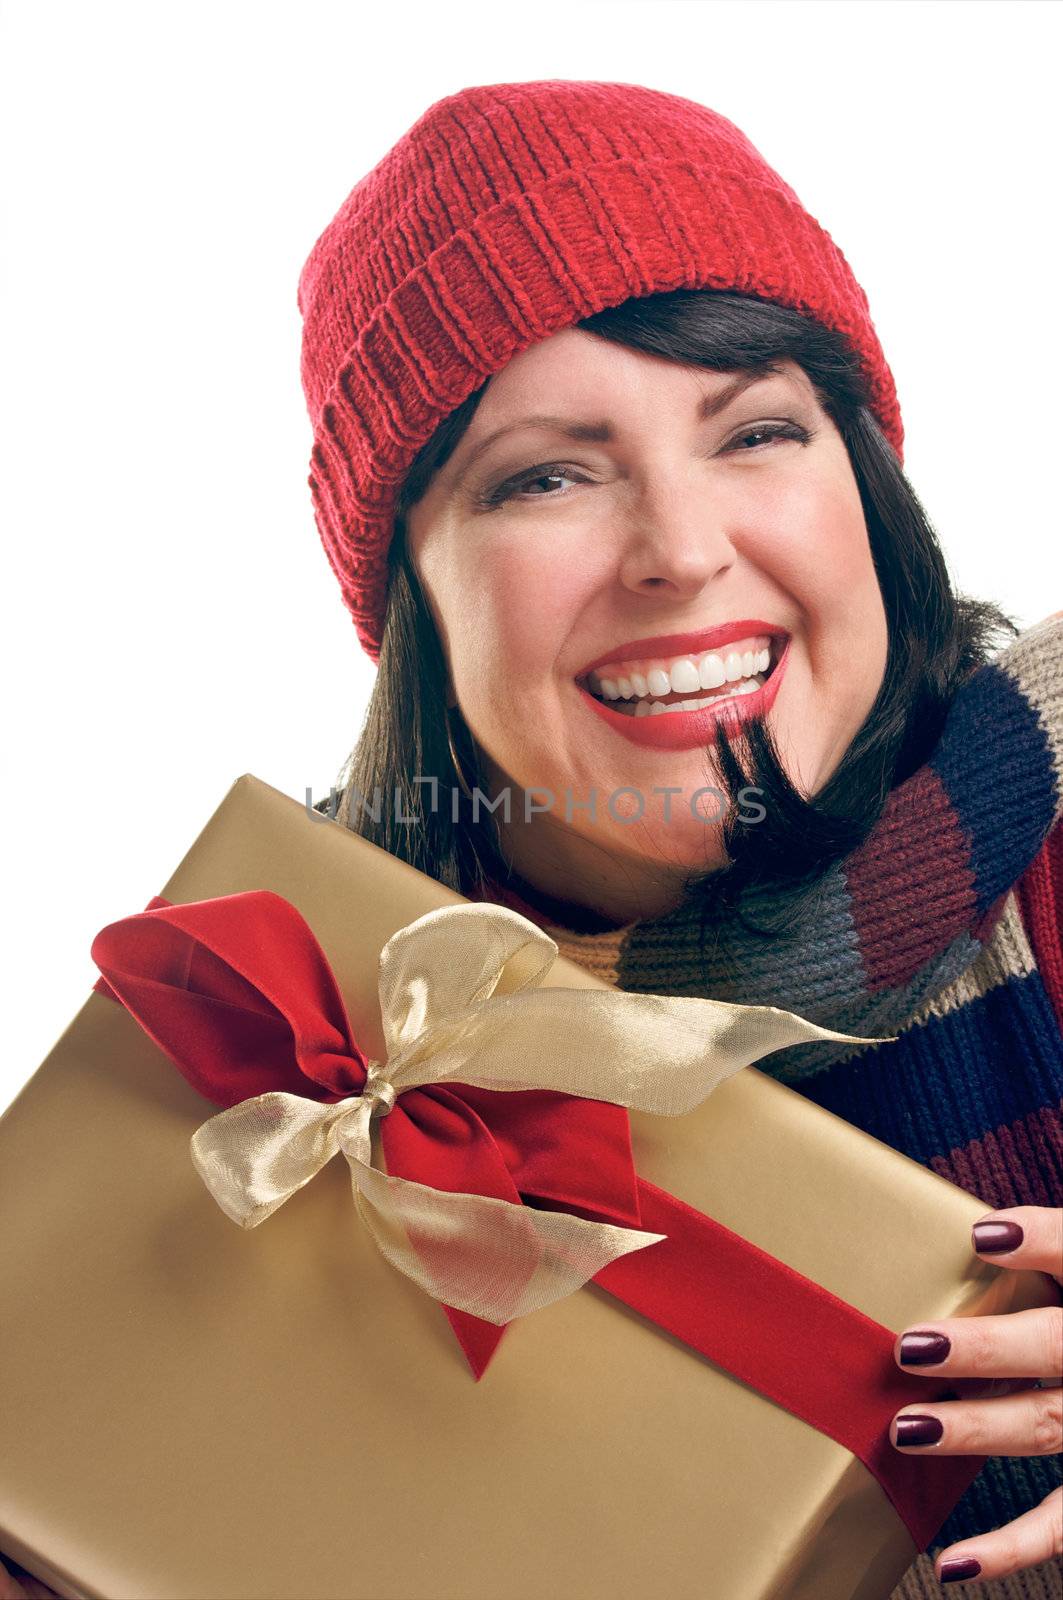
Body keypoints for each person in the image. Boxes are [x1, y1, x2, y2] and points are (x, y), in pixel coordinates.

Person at [5, 76, 1059, 1600]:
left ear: (867, 486)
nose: (684, 551)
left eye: (758, 429)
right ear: (411, 602)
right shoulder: (258, 1030)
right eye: (547, 475)